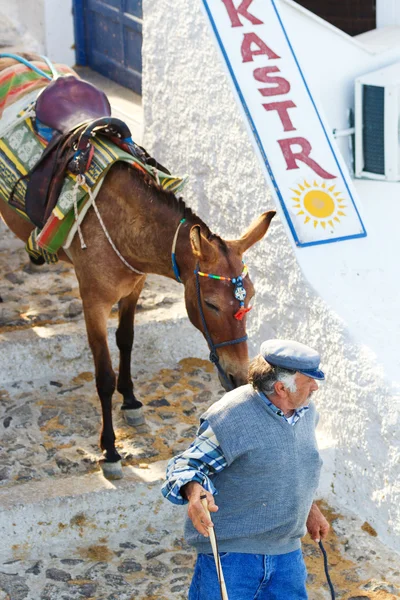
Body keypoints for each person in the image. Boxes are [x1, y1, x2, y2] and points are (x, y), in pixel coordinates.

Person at [161, 339, 330, 599]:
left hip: (287, 557)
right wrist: (194, 493)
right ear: (281, 388)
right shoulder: (233, 415)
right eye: (309, 380)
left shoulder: (306, 411)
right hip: (233, 558)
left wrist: (308, 507)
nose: (315, 387)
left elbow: (292, 464)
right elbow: (185, 466)